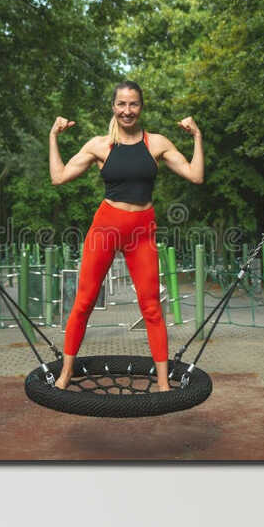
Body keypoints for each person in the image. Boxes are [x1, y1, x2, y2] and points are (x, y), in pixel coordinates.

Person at [47, 81, 204, 391]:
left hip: (142, 231)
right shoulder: (99, 145)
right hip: (105, 227)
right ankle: (65, 374)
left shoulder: (156, 143)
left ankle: (162, 384)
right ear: (113, 107)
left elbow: (195, 175)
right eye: (122, 104)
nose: (127, 110)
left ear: (140, 107)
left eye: (133, 104)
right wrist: (53, 136)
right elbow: (59, 176)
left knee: (151, 307)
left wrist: (197, 136)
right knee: (84, 301)